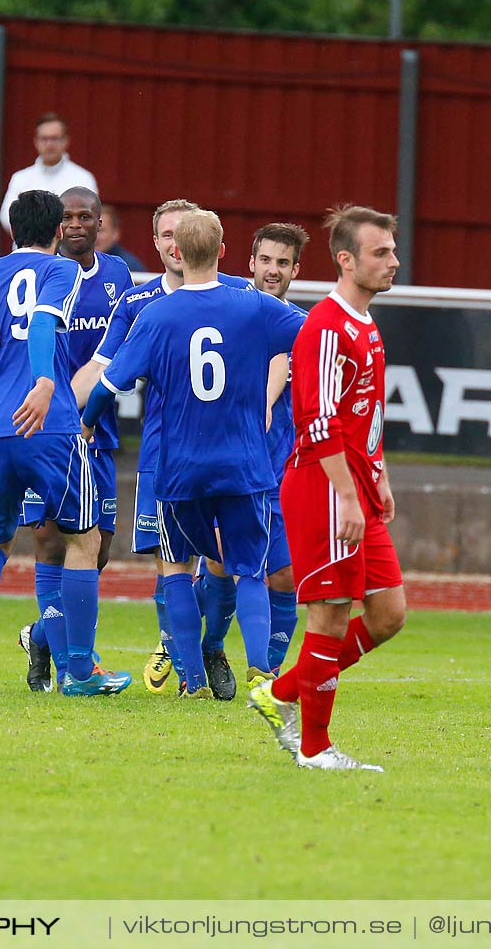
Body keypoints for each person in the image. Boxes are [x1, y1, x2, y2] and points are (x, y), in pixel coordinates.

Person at [81, 210, 303, 698]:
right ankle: (262, 673)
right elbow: (312, 335)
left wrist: (88, 420)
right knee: (249, 570)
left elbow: (108, 385)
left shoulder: (157, 316)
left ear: (176, 252)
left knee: (178, 566)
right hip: (244, 464)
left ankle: (194, 681)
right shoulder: (253, 306)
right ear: (224, 252)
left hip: (179, 467)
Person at [248, 205, 409, 772]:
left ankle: (280, 691)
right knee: (330, 616)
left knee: (388, 613)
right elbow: (317, 423)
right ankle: (315, 748)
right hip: (323, 484)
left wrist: (379, 472)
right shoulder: (324, 326)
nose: (393, 261)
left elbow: (363, 411)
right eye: (380, 252)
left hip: (358, 482)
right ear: (346, 260)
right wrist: (345, 494)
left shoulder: (365, 324)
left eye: (391, 250)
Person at [0, 190, 129, 698]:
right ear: (57, 232)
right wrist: (44, 382)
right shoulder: (63, 272)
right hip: (48, 423)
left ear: (11, 230)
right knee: (84, 538)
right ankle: (79, 671)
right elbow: (42, 323)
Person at [16, 186, 133, 692]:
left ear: (101, 222)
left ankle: (43, 636)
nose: (77, 224)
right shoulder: (40, 275)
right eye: (68, 217)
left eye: (87, 216)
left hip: (99, 431)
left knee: (98, 550)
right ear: (56, 225)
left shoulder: (119, 276)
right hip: (48, 429)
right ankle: (69, 667)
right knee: (49, 543)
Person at [199, 224, 310, 680]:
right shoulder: (232, 315)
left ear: (295, 270)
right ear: (250, 262)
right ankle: (209, 647)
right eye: (266, 260)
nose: (273, 270)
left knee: (284, 576)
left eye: (282, 263)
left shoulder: (303, 326)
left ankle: (269, 670)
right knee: (221, 564)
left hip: (282, 470)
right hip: (231, 465)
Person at [0, 114, 98, 234]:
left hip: (66, 251)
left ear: (66, 140)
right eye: (44, 139)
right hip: (28, 248)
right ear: (36, 141)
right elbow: (6, 218)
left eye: (55, 138)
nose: (49, 144)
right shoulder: (20, 178)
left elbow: (90, 217)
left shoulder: (83, 178)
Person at [96, 204, 146, 272]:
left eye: (100, 231)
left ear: (115, 233)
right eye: (91, 230)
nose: (95, 236)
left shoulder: (128, 266)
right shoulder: (77, 262)